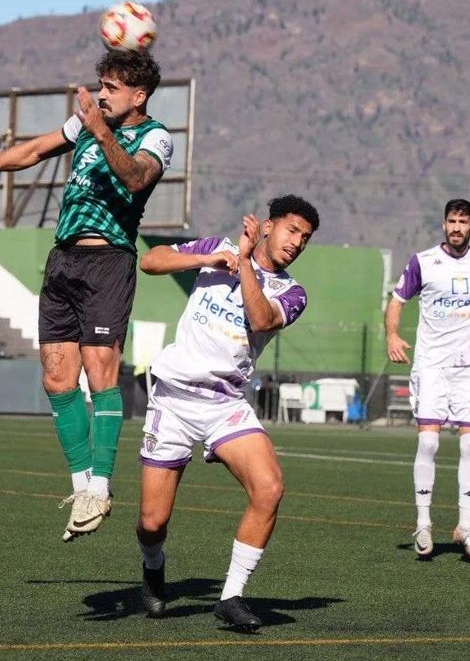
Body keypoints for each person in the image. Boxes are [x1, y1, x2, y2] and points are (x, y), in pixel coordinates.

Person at [0, 50, 174, 542]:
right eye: (102, 85)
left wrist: (100, 131)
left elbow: (137, 178)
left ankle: (100, 486)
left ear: (139, 96)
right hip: (63, 261)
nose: (103, 95)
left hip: (107, 261)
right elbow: (33, 151)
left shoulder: (155, 136)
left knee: (100, 370)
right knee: (56, 378)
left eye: (112, 88)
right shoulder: (86, 125)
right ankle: (82, 489)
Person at [134, 196, 319, 631]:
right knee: (151, 522)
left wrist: (245, 262)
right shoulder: (217, 249)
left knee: (269, 488)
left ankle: (231, 596)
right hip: (173, 399)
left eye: (306, 238)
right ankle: (153, 566)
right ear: (268, 226)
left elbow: (261, 319)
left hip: (226, 405)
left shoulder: (293, 293)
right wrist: (209, 258)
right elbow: (151, 261)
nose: (297, 243)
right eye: (292, 230)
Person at [384, 198, 470, 562]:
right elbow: (396, 302)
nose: (457, 227)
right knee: (429, 443)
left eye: (463, 222)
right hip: (431, 366)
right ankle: (423, 523)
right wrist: (392, 336)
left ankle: (465, 527)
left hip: (468, 368)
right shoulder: (423, 261)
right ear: (444, 225)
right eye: (452, 221)